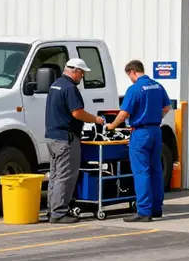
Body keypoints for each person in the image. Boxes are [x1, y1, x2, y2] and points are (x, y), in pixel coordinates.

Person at [106, 60, 172, 222]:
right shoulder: (157, 86)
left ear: (132, 72)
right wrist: (156, 118)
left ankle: (143, 211)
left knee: (141, 171)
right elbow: (167, 107)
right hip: (156, 130)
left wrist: (111, 126)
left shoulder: (134, 89)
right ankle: (157, 208)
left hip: (140, 133)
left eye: (129, 75)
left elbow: (124, 114)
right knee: (155, 170)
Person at [45, 59, 105, 224]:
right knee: (65, 176)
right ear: (75, 71)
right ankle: (59, 212)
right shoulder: (70, 88)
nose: (83, 76)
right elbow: (77, 113)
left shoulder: (55, 85)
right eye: (82, 72)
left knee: (55, 175)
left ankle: (52, 210)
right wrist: (96, 119)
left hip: (52, 137)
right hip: (66, 138)